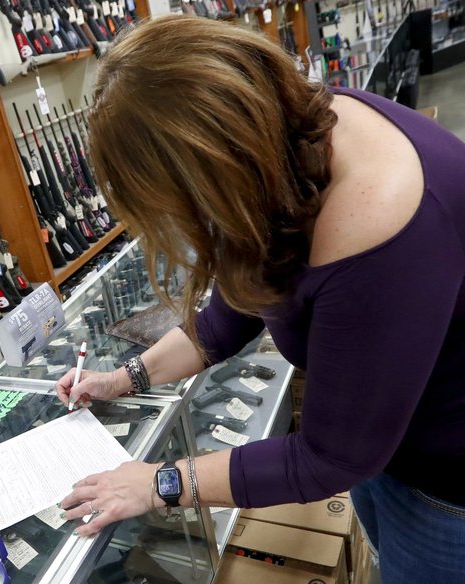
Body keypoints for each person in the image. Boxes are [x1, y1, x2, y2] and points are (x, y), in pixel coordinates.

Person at [56, 15, 465, 582]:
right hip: (389, 450)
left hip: (446, 483)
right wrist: (124, 379)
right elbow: (232, 313)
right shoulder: (293, 147)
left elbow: (331, 457)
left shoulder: (374, 217)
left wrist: (160, 483)